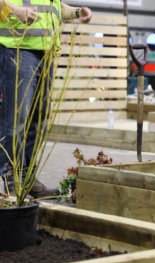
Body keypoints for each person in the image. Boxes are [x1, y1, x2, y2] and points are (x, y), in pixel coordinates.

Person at [0, 0, 92, 197]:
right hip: (18, 49)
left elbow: (54, 7)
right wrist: (12, 10)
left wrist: (76, 12)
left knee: (38, 120)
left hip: (46, 52)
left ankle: (27, 179)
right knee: (15, 121)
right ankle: (12, 182)